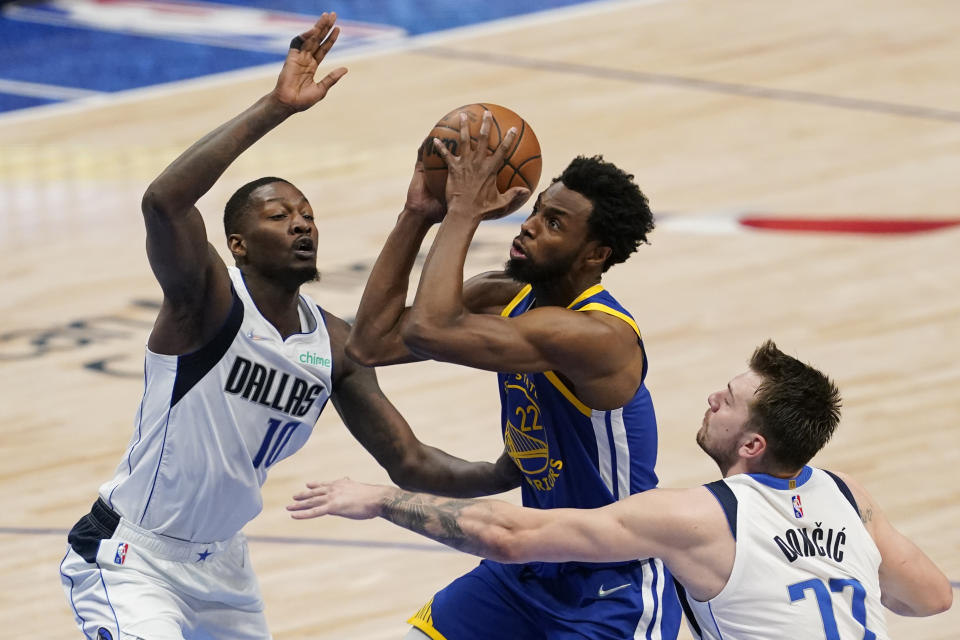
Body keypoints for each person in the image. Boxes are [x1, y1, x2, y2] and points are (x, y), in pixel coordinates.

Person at [58, 15, 520, 640]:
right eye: (280, 216)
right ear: (239, 245)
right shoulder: (207, 304)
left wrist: (508, 469)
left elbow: (410, 461)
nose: (302, 223)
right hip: (133, 559)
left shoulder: (333, 345)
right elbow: (162, 202)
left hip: (222, 569)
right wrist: (277, 107)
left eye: (306, 213)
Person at [290, 340, 954, 639]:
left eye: (729, 401)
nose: (712, 397)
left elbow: (509, 536)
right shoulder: (848, 497)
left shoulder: (698, 516)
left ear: (754, 445)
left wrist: (381, 500)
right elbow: (928, 598)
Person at [339, 112, 682, 638]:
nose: (528, 225)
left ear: (595, 254)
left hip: (611, 581)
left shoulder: (599, 338)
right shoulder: (505, 295)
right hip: (530, 561)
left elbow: (430, 328)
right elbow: (370, 343)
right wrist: (417, 213)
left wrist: (464, 211)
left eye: (554, 224)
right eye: (538, 211)